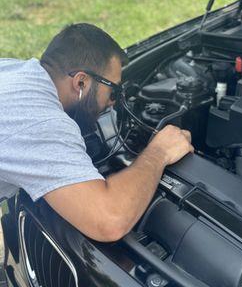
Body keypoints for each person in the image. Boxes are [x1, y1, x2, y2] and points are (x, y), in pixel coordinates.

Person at [0, 23, 193, 242]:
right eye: (113, 89)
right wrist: (159, 152)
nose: (113, 102)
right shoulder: (40, 120)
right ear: (81, 81)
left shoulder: (13, 70)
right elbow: (109, 221)